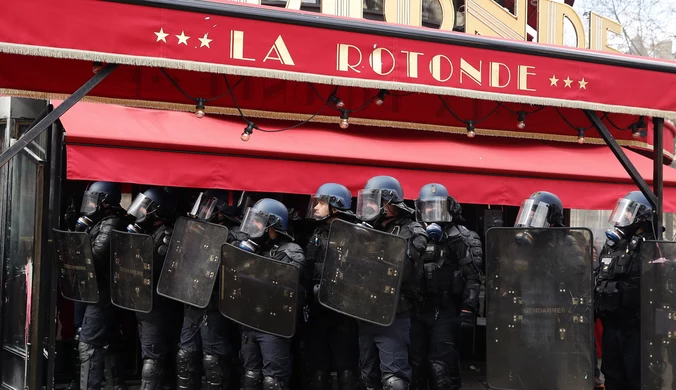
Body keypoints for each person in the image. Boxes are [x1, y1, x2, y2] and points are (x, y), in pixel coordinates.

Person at [355, 176, 428, 390]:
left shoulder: (413, 231)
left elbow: (398, 270)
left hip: (393, 315)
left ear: (388, 203)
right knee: (368, 376)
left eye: (373, 200)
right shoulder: (365, 230)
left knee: (394, 381)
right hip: (365, 312)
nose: (368, 206)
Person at [410, 183, 482, 390]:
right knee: (416, 367)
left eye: (437, 206)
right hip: (416, 308)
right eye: (427, 207)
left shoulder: (462, 237)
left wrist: (468, 310)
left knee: (440, 367)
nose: (431, 211)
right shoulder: (413, 234)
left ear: (449, 207)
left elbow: (473, 276)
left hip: (446, 308)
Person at [234, 198, 310, 390]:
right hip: (248, 322)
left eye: (258, 222)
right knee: (250, 377)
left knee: (273, 382)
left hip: (273, 326)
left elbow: (287, 283)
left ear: (273, 225)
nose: (253, 226)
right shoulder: (252, 248)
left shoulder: (291, 252)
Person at [176, 189, 242, 390]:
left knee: (213, 358)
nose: (202, 210)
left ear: (220, 211)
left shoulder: (233, 236)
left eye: (207, 205)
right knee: (185, 354)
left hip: (213, 305)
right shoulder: (198, 230)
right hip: (192, 300)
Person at [595, 191, 654, 390]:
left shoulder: (653, 245)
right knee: (612, 375)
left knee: (636, 377)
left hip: (636, 326)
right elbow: (599, 275)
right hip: (611, 323)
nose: (624, 217)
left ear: (642, 216)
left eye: (629, 212)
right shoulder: (613, 245)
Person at [303, 183, 359, 390]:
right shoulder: (318, 231)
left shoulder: (354, 234)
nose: (316, 207)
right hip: (318, 307)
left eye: (321, 202)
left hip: (343, 308)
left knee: (346, 368)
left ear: (335, 206)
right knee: (319, 366)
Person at [125, 187, 180, 389]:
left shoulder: (165, 235)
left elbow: (151, 266)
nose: (140, 213)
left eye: (144, 209)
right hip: (144, 303)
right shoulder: (150, 232)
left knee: (152, 357)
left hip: (156, 305)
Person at [77, 182, 129, 390]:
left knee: (88, 344)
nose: (90, 204)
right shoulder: (101, 221)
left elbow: (95, 258)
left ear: (105, 203)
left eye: (94, 199)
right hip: (98, 289)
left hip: (104, 291)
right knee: (109, 339)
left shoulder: (112, 223)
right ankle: (118, 384)